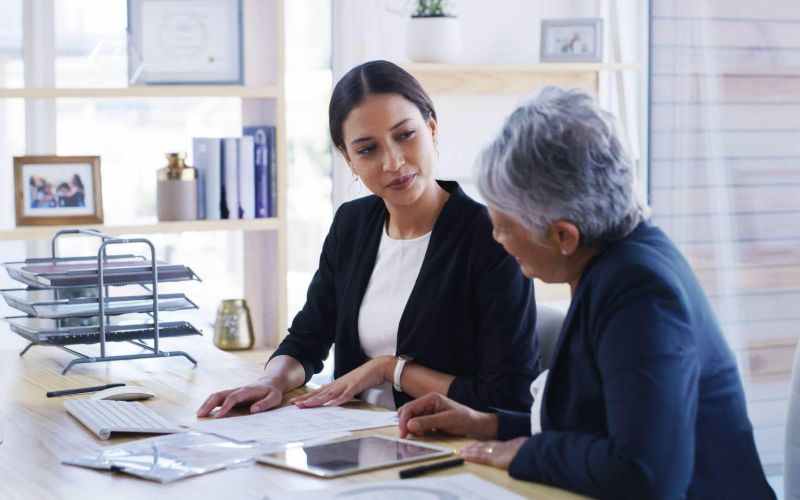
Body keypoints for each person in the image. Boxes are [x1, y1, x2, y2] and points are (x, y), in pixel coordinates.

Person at [397, 87, 775, 499]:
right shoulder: (621, 260)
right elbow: (604, 425)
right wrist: (486, 423)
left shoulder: (641, 293)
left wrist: (530, 452)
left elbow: (645, 472)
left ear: (563, 235)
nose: (496, 237)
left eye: (504, 226)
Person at [197, 60, 539, 419]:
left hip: (447, 448)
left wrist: (390, 369)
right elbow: (308, 338)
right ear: (348, 158)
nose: (392, 162)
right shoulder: (352, 224)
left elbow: (508, 398)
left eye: (405, 135)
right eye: (367, 149)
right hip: (353, 439)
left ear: (432, 128)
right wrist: (272, 380)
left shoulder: (493, 238)